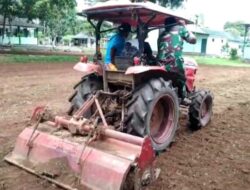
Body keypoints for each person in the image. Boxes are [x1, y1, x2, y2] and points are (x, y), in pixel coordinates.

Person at [158, 16, 196, 101]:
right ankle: (183, 97)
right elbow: (193, 40)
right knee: (182, 78)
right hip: (174, 64)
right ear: (175, 24)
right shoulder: (181, 30)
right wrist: (184, 26)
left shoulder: (161, 35)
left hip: (160, 64)